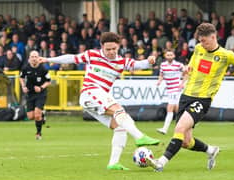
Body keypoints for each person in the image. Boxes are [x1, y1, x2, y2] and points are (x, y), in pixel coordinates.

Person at [39, 32, 160, 170]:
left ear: (118, 46)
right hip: (89, 93)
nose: (111, 52)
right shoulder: (92, 55)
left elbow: (139, 64)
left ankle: (113, 163)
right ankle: (140, 137)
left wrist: (149, 61)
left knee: (119, 126)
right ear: (102, 46)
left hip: (98, 98)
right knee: (118, 110)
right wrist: (48, 59)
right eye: (108, 49)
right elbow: (71, 58)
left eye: (114, 49)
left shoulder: (121, 62)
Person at [146, 23, 234, 172]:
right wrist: (187, 68)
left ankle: (161, 162)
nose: (202, 44)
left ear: (213, 37)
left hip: (202, 100)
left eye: (205, 41)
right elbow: (192, 62)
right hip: (186, 96)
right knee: (185, 141)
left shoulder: (225, 55)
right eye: (200, 41)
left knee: (179, 128)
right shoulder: (198, 48)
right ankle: (211, 150)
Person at [20, 51, 51, 140]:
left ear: (38, 58)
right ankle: (42, 116)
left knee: (37, 115)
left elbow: (48, 81)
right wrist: (23, 86)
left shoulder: (43, 69)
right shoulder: (25, 68)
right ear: (29, 58)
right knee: (30, 116)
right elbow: (21, 77)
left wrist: (41, 88)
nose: (34, 59)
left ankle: (38, 133)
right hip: (30, 94)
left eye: (35, 57)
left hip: (41, 93)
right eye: (32, 57)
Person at [156, 50, 185, 135]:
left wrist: (182, 83)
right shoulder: (163, 65)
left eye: (171, 55)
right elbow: (161, 75)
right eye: (168, 55)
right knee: (177, 109)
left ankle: (165, 129)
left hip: (176, 88)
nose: (169, 56)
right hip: (169, 89)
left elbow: (186, 73)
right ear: (165, 56)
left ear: (174, 56)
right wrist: (159, 81)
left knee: (170, 107)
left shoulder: (179, 65)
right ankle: (187, 125)